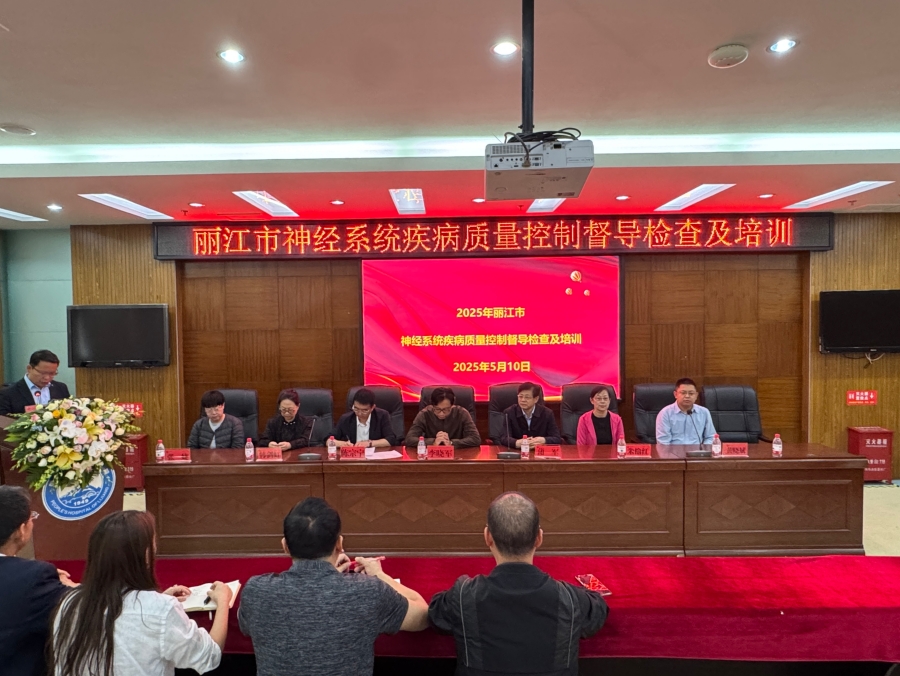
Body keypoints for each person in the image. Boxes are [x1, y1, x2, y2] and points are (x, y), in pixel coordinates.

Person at [239, 497, 429, 676]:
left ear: (285, 546)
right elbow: (424, 615)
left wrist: (327, 578)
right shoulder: (369, 591)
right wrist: (380, 575)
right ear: (339, 544)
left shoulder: (256, 591)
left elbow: (246, 625)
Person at [429, 492, 609, 676]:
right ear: (539, 538)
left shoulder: (463, 596)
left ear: (487, 537)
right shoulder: (571, 600)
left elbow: (434, 615)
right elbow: (598, 611)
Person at [50, 510, 231, 676]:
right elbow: (209, 657)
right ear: (144, 555)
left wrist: (159, 599)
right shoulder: (161, 609)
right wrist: (223, 601)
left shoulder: (68, 602)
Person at [0, 486, 76, 676]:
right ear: (21, 530)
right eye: (31, 518)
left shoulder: (30, 575)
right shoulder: (34, 577)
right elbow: (85, 605)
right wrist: (64, 585)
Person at [0, 349, 71, 416]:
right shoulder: (8, 393)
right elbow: (3, 421)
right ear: (29, 368)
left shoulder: (61, 388)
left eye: (52, 373)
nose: (47, 378)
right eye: (43, 373)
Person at [404, 387, 481, 448]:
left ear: (452, 406)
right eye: (437, 409)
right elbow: (409, 439)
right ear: (432, 405)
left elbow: (475, 439)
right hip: (432, 456)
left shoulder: (462, 413)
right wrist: (433, 442)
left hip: (457, 455)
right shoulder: (424, 414)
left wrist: (451, 443)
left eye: (446, 410)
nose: (441, 413)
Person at [498, 382, 561, 449]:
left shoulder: (547, 413)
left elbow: (557, 438)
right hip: (517, 452)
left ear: (536, 399)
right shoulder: (509, 412)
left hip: (539, 452)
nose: (523, 400)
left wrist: (543, 440)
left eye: (527, 397)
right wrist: (516, 443)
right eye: (520, 396)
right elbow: (503, 438)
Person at [655, 377, 716, 445]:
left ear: (696, 395)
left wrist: (704, 449)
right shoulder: (665, 413)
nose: (687, 396)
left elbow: (711, 437)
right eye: (683, 393)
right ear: (675, 394)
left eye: (691, 393)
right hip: (673, 451)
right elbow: (663, 442)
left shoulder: (704, 412)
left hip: (698, 450)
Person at [331, 388, 398, 448]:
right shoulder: (346, 419)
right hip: (354, 456)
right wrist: (343, 444)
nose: (359, 413)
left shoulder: (382, 416)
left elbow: (391, 440)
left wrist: (369, 443)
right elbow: (329, 440)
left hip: (375, 455)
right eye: (356, 409)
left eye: (364, 410)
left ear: (372, 407)